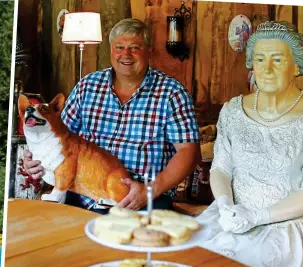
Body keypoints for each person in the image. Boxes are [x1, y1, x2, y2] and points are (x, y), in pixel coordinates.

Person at [196, 20, 303, 267]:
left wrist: (257, 216)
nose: (266, 68)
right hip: (232, 214)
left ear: (297, 66)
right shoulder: (232, 111)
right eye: (260, 59)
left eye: (277, 59)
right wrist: (226, 205)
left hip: (287, 224)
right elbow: (221, 169)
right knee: (186, 266)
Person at [23, 18, 201, 212]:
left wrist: (150, 191)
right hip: (81, 195)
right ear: (110, 50)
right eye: (119, 47)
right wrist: (33, 160)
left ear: (149, 51)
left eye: (135, 47)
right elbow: (57, 136)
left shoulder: (172, 93)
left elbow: (189, 152)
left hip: (143, 199)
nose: (126, 54)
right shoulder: (87, 86)